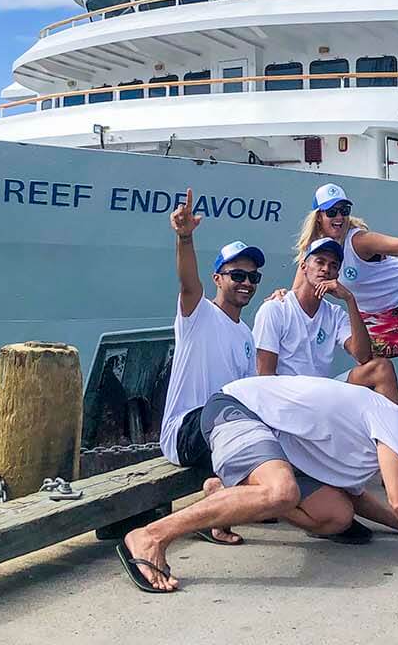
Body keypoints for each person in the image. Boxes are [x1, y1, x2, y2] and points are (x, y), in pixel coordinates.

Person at [117, 375, 398, 592]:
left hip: (278, 443)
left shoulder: (372, 454)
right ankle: (151, 535)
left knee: (337, 516)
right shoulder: (394, 422)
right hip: (239, 410)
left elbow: (362, 500)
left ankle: (224, 495)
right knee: (281, 493)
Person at [294, 183, 398, 464]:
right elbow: (300, 289)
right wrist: (280, 296)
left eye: (344, 210)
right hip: (373, 317)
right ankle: (389, 447)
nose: (339, 217)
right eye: (331, 211)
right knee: (372, 373)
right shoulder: (316, 252)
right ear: (318, 216)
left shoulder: (359, 240)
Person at [158, 187, 262, 546]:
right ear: (218, 278)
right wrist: (185, 238)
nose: (246, 283)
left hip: (221, 433)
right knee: (228, 420)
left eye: (253, 277)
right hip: (185, 431)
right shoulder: (198, 315)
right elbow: (188, 282)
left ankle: (222, 496)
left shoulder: (247, 335)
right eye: (237, 275)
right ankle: (217, 509)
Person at [253, 236, 398, 402]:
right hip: (289, 396)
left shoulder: (335, 313)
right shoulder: (276, 308)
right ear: (304, 267)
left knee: (382, 368)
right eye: (320, 262)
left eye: (333, 265)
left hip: (322, 391)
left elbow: (363, 357)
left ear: (337, 274)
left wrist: (350, 300)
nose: (326, 269)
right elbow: (264, 376)